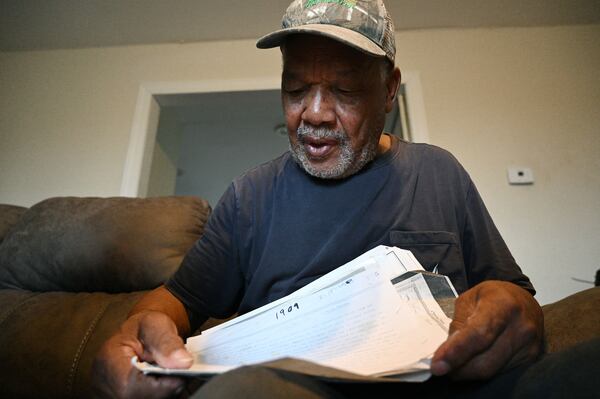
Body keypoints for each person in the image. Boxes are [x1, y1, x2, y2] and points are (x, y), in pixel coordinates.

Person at [93, 1, 544, 397]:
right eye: (294, 89)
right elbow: (176, 300)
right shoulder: (250, 199)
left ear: (390, 89)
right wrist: (135, 332)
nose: (313, 113)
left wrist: (518, 313)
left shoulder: (439, 173)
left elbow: (514, 296)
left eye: (344, 91)